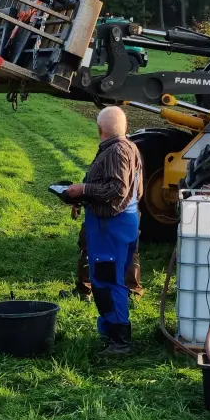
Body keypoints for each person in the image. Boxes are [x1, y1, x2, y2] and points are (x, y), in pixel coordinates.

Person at [62, 106, 142, 354]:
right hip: (121, 223)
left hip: (111, 226)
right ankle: (109, 331)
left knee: (108, 280)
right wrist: (82, 197)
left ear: (100, 129)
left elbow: (117, 190)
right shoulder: (129, 146)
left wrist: (84, 190)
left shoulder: (117, 151)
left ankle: (120, 341)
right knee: (109, 278)